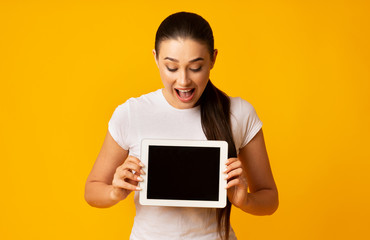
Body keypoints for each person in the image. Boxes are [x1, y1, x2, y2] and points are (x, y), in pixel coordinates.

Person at [85, 11, 278, 240]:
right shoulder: (131, 113)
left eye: (195, 67)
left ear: (213, 59)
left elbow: (269, 199)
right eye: (172, 67)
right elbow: (92, 190)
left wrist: (244, 199)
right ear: (156, 58)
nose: (184, 81)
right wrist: (114, 192)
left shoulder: (239, 113)